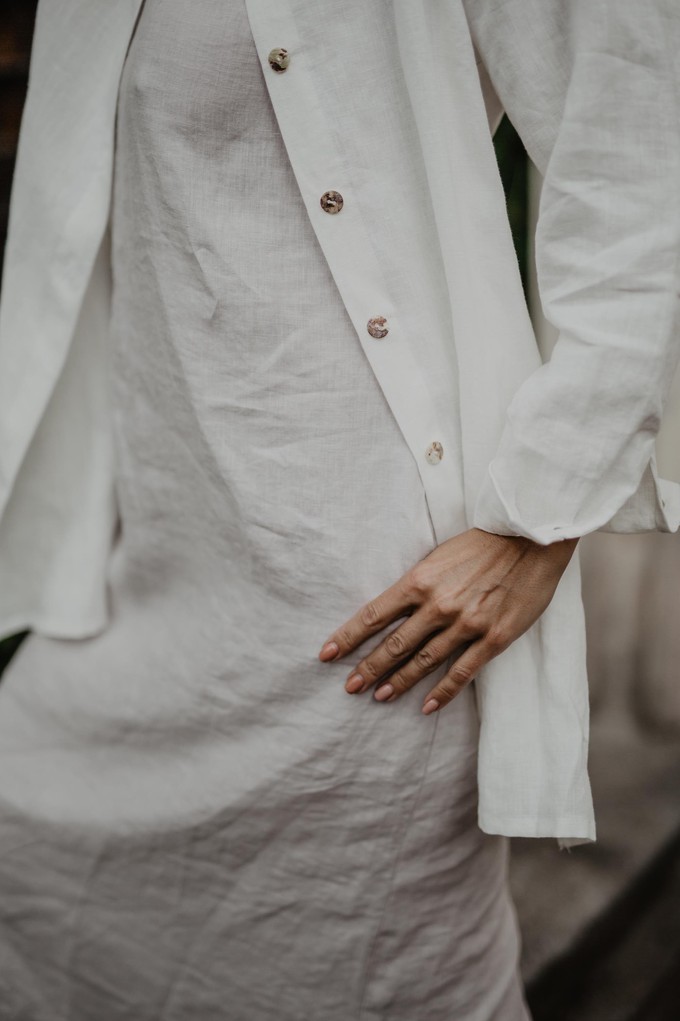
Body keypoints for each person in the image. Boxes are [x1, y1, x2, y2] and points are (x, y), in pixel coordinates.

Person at [0, 1, 677, 1018]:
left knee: (374, 974)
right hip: (150, 582)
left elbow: (638, 176)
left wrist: (533, 521)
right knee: (42, 864)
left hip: (372, 615)